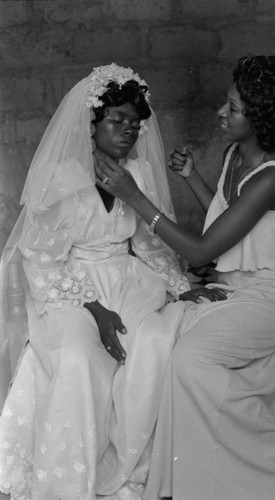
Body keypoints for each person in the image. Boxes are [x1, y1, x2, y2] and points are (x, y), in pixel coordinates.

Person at [94, 55, 275, 500]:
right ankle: (206, 479)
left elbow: (201, 250)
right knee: (167, 342)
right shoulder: (235, 155)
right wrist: (193, 178)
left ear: (260, 120)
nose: (222, 112)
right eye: (227, 102)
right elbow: (227, 219)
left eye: (234, 109)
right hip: (236, 284)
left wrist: (134, 196)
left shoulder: (273, 178)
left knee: (191, 360)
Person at [0, 63, 190, 500]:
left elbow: (148, 243)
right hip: (68, 286)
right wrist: (92, 307)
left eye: (135, 123)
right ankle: (67, 483)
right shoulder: (62, 177)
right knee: (78, 357)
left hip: (128, 280)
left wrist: (181, 284)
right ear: (91, 124)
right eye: (116, 120)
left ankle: (127, 464)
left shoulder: (137, 176)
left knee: (152, 346)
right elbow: (41, 258)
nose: (128, 130)